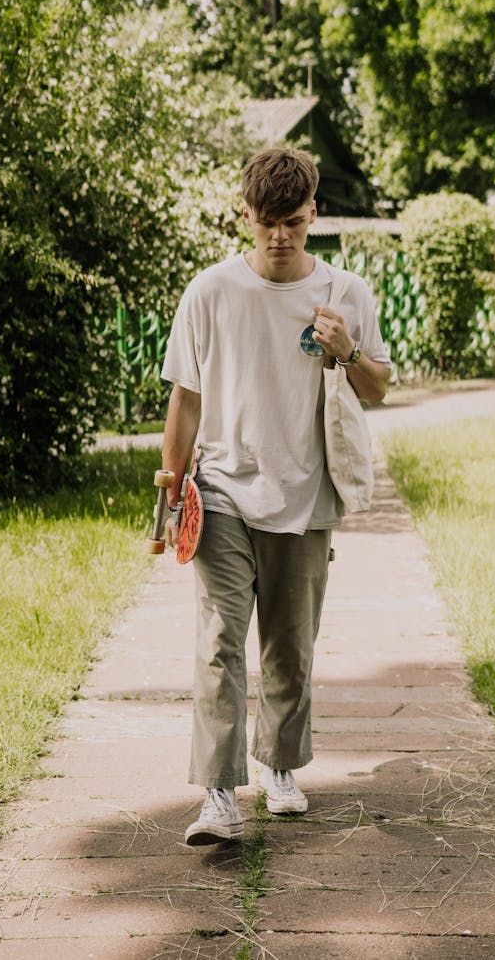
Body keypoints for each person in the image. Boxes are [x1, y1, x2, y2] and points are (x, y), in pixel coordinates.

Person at [160, 146, 391, 847]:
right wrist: (171, 494)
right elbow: (185, 399)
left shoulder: (346, 293)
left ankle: (279, 765)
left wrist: (347, 350)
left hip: (306, 496)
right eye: (267, 222)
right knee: (221, 641)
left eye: (292, 220)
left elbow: (379, 387)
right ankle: (219, 793)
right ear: (246, 216)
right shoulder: (209, 292)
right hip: (224, 490)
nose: (280, 235)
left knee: (290, 647)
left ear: (313, 213)